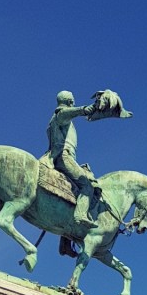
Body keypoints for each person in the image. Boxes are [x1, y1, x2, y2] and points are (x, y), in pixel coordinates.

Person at [46, 91, 100, 229]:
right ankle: (80, 215)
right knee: (87, 186)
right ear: (70, 102)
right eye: (73, 101)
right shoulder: (61, 115)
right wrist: (83, 110)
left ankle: (66, 240)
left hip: (62, 157)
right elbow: (64, 114)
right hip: (63, 156)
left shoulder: (57, 119)